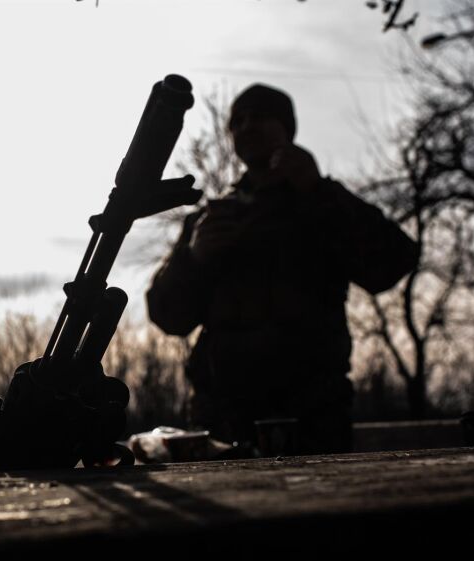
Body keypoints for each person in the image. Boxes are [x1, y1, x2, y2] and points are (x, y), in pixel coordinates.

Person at [146, 84, 419, 454]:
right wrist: (194, 259)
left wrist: (319, 192)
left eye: (260, 116)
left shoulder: (321, 203)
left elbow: (392, 263)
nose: (247, 127)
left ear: (287, 128)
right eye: (237, 121)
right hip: (223, 421)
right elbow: (168, 316)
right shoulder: (212, 219)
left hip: (313, 421)